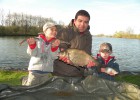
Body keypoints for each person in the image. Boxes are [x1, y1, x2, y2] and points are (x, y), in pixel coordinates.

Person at [53, 10, 95, 77]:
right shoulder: (65, 31)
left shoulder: (88, 36)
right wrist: (65, 56)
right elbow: (60, 48)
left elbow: (87, 53)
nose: (82, 24)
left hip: (78, 73)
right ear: (75, 21)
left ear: (88, 23)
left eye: (85, 22)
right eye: (80, 21)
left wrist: (88, 63)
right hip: (60, 72)